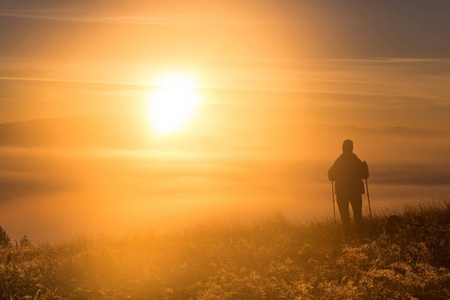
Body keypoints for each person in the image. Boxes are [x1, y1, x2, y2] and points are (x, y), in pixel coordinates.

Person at [328, 139, 369, 236]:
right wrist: (365, 167)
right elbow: (365, 175)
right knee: (358, 215)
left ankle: (347, 236)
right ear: (352, 148)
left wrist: (330, 171)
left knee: (344, 216)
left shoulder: (339, 162)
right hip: (356, 192)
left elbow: (332, 178)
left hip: (342, 192)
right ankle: (360, 235)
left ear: (343, 148)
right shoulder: (356, 161)